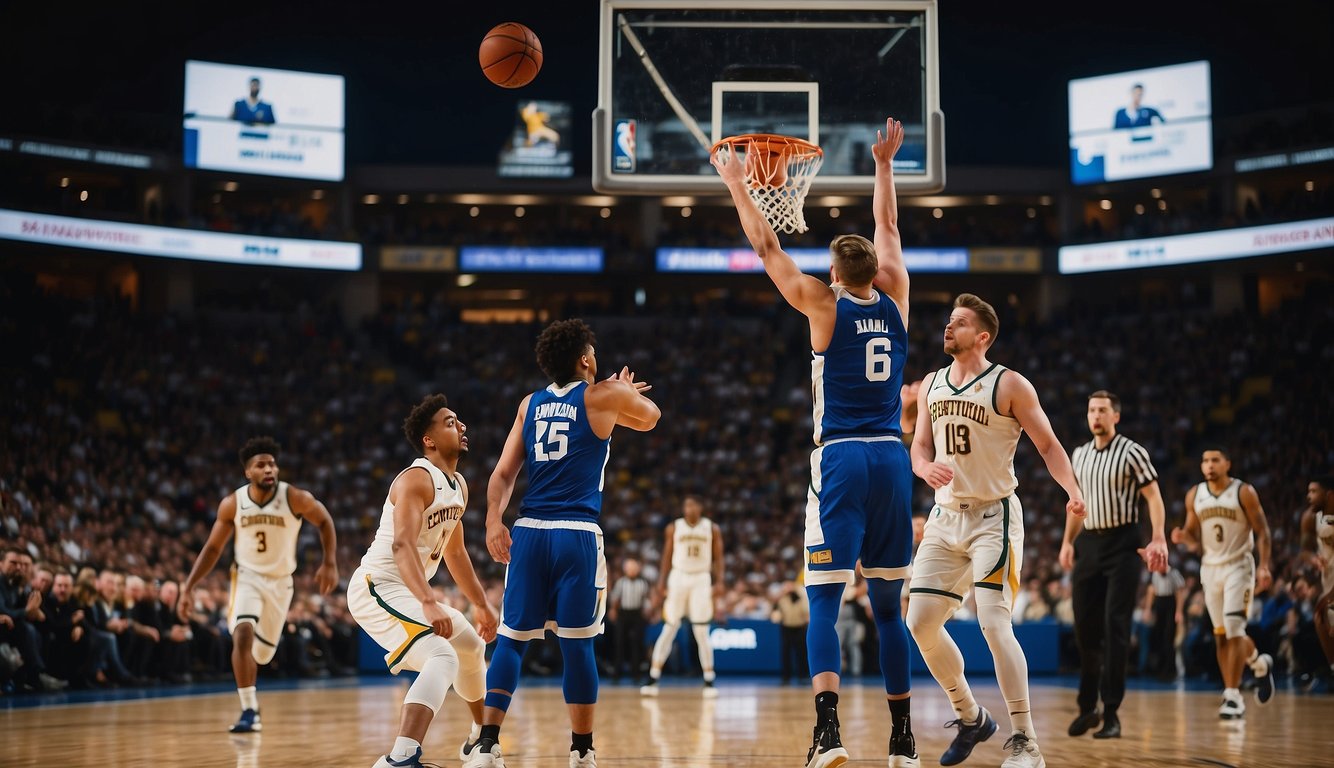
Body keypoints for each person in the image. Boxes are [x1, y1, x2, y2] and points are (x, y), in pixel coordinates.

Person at [713, 117, 918, 768]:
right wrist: (883, 165)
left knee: (824, 602)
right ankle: (903, 740)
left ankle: (827, 732)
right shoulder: (897, 297)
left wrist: (740, 185)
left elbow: (768, 248)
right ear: (875, 272)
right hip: (892, 457)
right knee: (888, 609)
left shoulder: (823, 306)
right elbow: (889, 228)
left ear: (833, 271)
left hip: (840, 458)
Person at [906, 292, 1088, 768]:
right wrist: (923, 469)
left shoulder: (1009, 384)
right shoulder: (931, 384)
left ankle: (1026, 740)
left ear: (982, 337)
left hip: (994, 517)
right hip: (945, 518)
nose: (949, 328)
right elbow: (919, 447)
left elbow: (1048, 445)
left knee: (993, 622)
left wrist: (1072, 490)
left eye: (960, 323)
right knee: (919, 622)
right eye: (949, 321)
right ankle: (971, 717)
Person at [470, 318, 661, 768]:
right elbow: (652, 420)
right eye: (593, 351)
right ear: (584, 359)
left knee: (512, 642)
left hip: (530, 531)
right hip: (576, 534)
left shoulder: (530, 403)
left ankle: (487, 745)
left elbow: (501, 474)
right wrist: (626, 393)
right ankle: (581, 751)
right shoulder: (602, 395)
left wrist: (493, 523)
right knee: (578, 645)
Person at [347, 394, 498, 768]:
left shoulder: (458, 484)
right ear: (428, 440)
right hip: (377, 587)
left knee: (471, 648)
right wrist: (429, 601)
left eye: (459, 420)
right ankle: (400, 757)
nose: (461, 426)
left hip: (409, 590)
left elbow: (456, 552)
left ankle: (481, 741)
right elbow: (401, 545)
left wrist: (480, 603)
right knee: (441, 653)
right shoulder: (416, 478)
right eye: (450, 422)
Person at [178, 436, 338, 733]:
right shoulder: (233, 504)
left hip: (280, 583)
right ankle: (249, 709)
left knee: (263, 654)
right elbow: (213, 549)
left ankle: (253, 687)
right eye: (261, 465)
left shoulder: (294, 497)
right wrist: (188, 587)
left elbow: (325, 520)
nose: (269, 469)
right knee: (242, 633)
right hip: (247, 577)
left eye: (273, 464)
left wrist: (329, 562)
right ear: (248, 472)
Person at [1059, 391, 1169, 739]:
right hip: (1089, 543)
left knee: (1115, 626)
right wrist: (1067, 542)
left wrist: (1159, 537)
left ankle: (1112, 713)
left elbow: (1153, 496)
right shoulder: (1078, 454)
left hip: (1124, 543)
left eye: (1103, 410)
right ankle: (1087, 707)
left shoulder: (1133, 452)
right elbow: (1077, 505)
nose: (1096, 415)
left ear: (1115, 416)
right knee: (1085, 629)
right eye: (1092, 409)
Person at [1170, 447, 1275, 718]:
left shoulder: (1244, 492)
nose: (1209, 465)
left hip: (1239, 567)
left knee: (1234, 629)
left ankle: (1232, 695)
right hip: (1211, 569)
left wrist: (1264, 565)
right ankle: (1258, 663)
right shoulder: (1195, 494)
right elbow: (1193, 537)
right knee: (1221, 636)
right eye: (1205, 460)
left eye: (1215, 460)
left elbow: (1263, 532)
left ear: (1228, 463)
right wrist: (1184, 537)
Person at [641, 495, 724, 697]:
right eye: (686, 504)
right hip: (678, 577)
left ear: (701, 506)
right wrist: (662, 583)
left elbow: (719, 558)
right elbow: (667, 556)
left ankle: (709, 679)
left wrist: (719, 581)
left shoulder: (711, 528)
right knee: (669, 627)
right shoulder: (674, 527)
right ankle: (653, 676)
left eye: (693, 504)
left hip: (701, 578)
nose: (689, 508)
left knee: (702, 631)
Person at [1299, 476, 1334, 674]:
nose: (1309, 496)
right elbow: (1304, 550)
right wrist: (1312, 558)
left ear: (1329, 495)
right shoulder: (1310, 518)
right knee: (1322, 621)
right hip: (1329, 580)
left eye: (1314, 492)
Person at [607, 557, 650, 682]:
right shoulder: (621, 582)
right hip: (623, 614)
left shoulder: (643, 583)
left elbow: (645, 599)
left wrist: (646, 611)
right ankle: (616, 674)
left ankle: (636, 674)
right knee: (619, 643)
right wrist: (613, 610)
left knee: (636, 644)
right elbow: (615, 598)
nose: (632, 571)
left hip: (636, 614)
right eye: (629, 569)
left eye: (634, 568)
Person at [772, 580, 811, 685]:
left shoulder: (800, 597)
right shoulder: (781, 599)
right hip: (786, 627)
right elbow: (776, 611)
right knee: (786, 653)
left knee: (801, 653)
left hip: (800, 627)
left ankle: (803, 675)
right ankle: (786, 677)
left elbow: (805, 610)